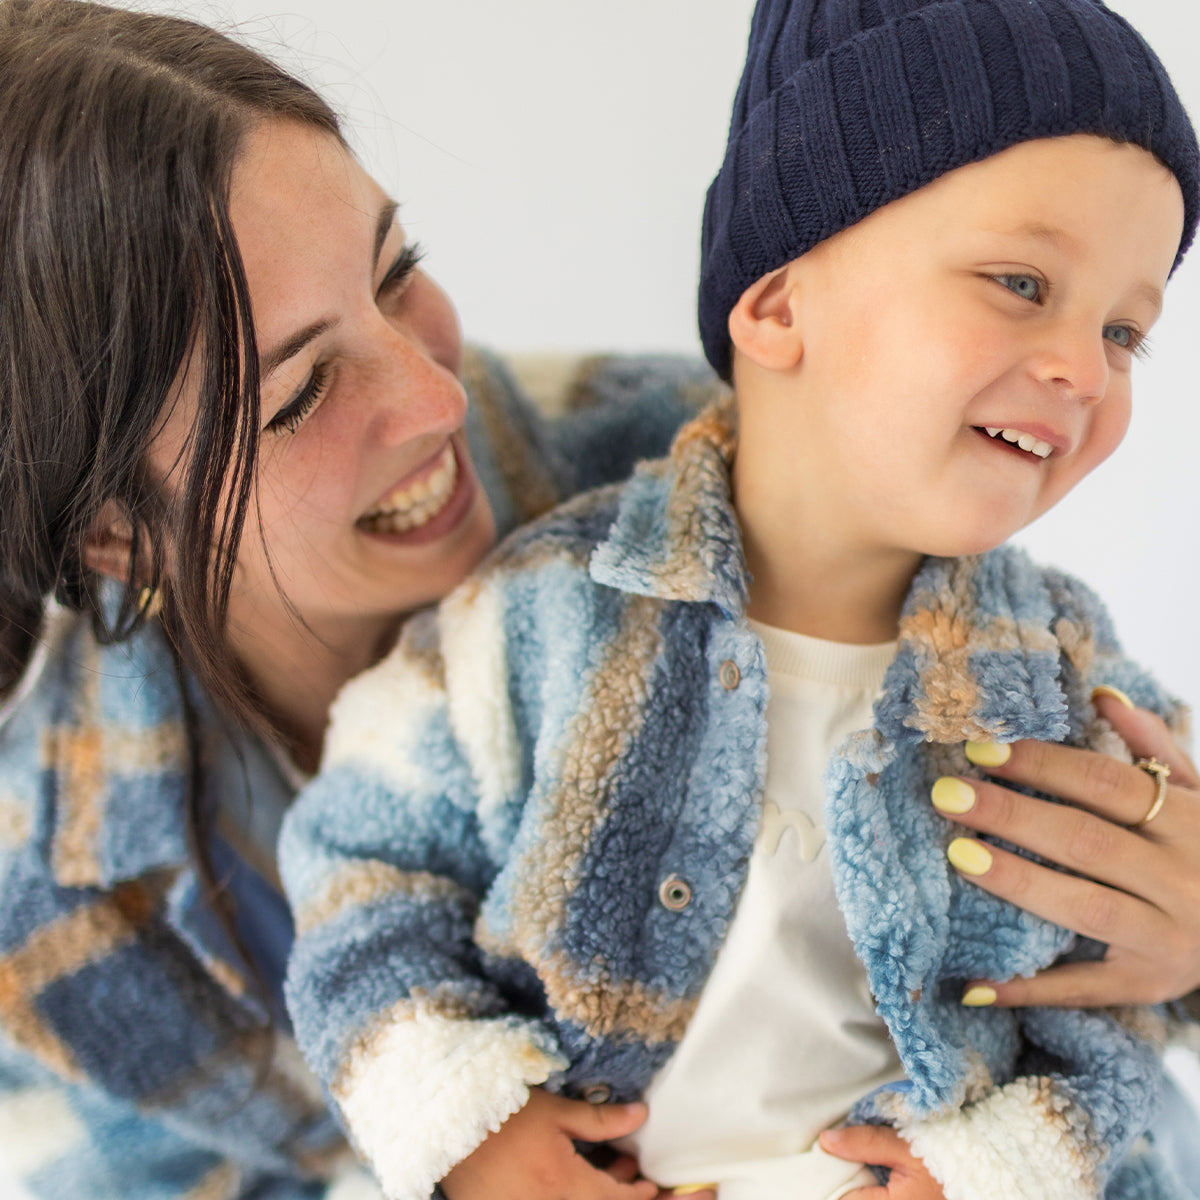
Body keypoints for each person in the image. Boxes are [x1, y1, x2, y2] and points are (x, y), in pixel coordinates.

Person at [279, 0, 1200, 1198]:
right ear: (776, 305)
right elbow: (360, 880)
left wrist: (995, 1168)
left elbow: (1121, 1008)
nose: (1083, 367)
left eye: (1126, 330)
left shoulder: (1071, 681)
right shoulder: (540, 617)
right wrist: (467, 1129)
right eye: (1021, 282)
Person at [0, 2, 723, 1197]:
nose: (437, 397)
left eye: (396, 274)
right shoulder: (45, 893)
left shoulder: (718, 472)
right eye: (299, 395)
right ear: (115, 534)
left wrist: (1099, 978)